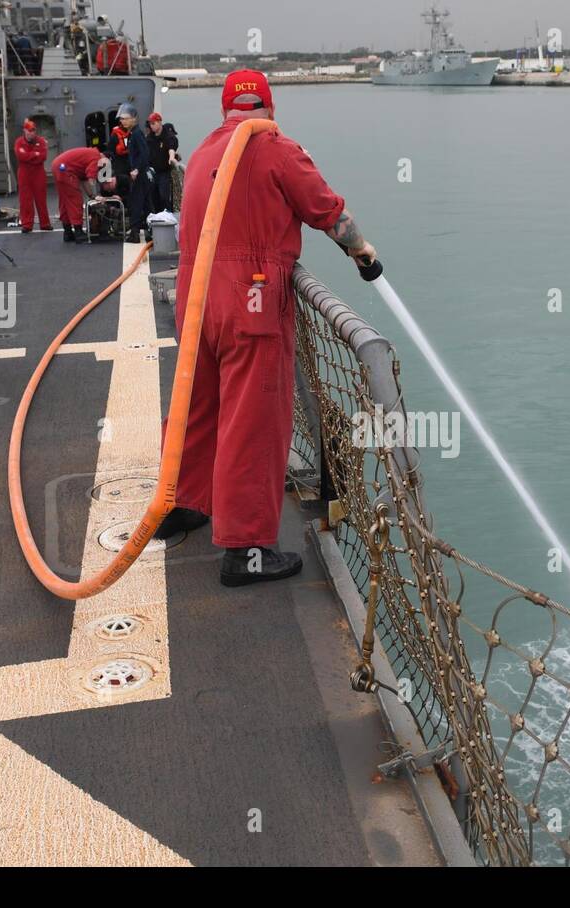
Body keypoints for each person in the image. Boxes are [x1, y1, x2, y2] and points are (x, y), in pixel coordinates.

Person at [158, 70, 377, 587]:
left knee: (197, 405)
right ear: (270, 109)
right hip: (249, 300)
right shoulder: (277, 148)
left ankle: (183, 504)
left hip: (195, 297)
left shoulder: (206, 152)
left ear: (224, 111)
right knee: (253, 421)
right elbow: (326, 211)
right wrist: (363, 253)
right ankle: (247, 549)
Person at [49, 145, 115, 242]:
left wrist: (92, 196)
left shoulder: (89, 155)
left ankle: (67, 232)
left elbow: (84, 180)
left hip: (58, 166)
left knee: (64, 201)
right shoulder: (96, 158)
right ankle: (78, 231)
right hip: (65, 170)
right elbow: (91, 177)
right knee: (75, 200)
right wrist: (97, 196)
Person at [113, 103, 151, 242]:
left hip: (139, 175)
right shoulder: (133, 134)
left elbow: (145, 153)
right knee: (146, 203)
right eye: (121, 119)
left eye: (125, 118)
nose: (122, 121)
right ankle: (150, 231)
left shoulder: (136, 134)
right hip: (139, 174)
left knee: (136, 203)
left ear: (133, 119)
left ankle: (135, 234)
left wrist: (137, 169)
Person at [13, 119, 51, 232]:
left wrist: (29, 156)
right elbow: (21, 157)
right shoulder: (19, 142)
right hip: (25, 174)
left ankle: (45, 223)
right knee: (25, 200)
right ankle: (27, 224)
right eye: (29, 131)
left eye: (33, 131)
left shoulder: (41, 141)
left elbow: (43, 157)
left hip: (38, 173)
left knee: (41, 199)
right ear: (24, 130)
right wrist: (35, 154)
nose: (31, 133)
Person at [145, 112, 178, 214]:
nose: (152, 126)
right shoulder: (149, 138)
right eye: (150, 124)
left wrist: (171, 157)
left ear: (159, 122)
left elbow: (171, 147)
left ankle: (167, 215)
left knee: (164, 196)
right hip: (153, 172)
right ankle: (156, 218)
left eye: (154, 123)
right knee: (154, 197)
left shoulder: (167, 135)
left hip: (164, 172)